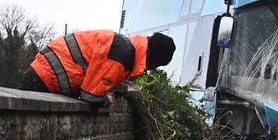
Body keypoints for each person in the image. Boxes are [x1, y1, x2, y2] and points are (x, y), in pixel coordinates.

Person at [20, 30, 175, 106]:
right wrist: (107, 102)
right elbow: (90, 96)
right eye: (153, 66)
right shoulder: (123, 55)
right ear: (152, 61)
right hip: (42, 80)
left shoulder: (126, 48)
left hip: (43, 75)